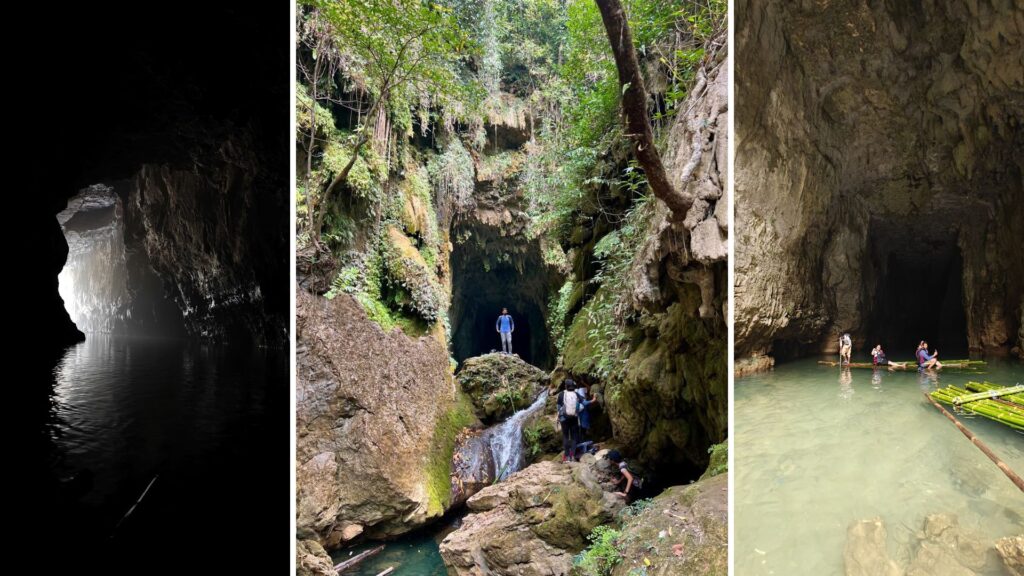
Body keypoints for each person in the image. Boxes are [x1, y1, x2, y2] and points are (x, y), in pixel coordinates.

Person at [557, 379, 581, 462]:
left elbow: (558, 407)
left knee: (565, 436)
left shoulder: (561, 394)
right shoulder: (576, 394)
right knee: (574, 436)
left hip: (564, 419)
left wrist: (560, 417)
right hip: (574, 418)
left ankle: (566, 456)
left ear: (566, 386)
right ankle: (573, 456)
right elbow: (582, 402)